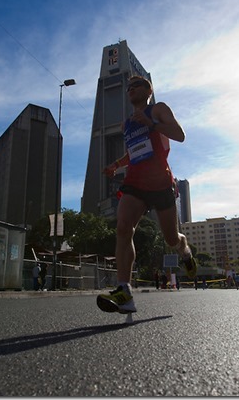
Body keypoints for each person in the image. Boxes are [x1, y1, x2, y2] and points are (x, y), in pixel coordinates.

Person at [97, 75, 197, 314]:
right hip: (135, 182)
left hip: (161, 182)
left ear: (148, 90)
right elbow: (133, 152)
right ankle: (124, 291)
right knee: (123, 227)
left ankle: (185, 251)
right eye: (128, 88)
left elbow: (179, 135)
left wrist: (151, 123)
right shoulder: (127, 124)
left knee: (171, 239)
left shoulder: (158, 110)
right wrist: (116, 165)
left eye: (136, 86)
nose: (130, 90)